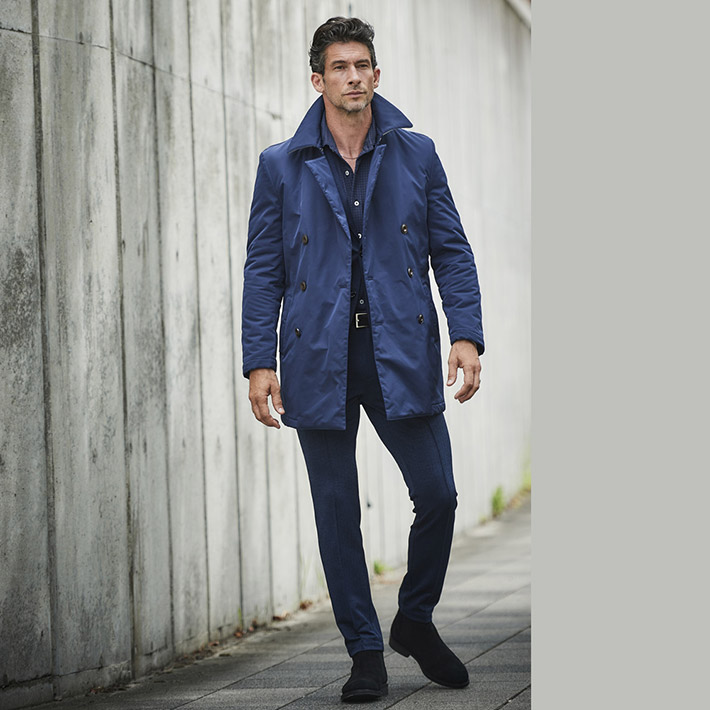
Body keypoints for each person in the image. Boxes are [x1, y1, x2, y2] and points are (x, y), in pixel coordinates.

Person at [242, 16, 484, 703]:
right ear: (317, 80)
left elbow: (452, 251)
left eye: (362, 65)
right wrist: (259, 360)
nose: (353, 77)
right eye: (339, 67)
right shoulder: (281, 165)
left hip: (399, 349)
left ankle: (414, 620)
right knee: (336, 510)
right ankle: (365, 653)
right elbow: (264, 269)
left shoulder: (417, 153)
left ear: (377, 74)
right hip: (317, 355)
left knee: (438, 494)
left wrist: (466, 334)